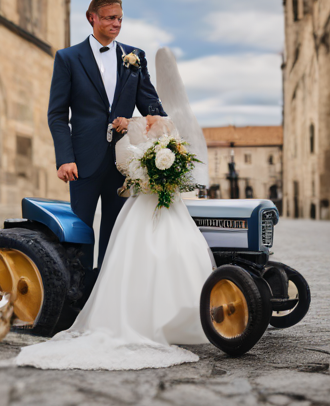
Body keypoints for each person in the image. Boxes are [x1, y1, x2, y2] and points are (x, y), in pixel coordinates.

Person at [15, 115, 214, 370]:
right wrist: (148, 172)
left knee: (181, 249)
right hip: (140, 197)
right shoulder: (130, 129)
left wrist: (166, 174)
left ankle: (188, 316)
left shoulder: (165, 124)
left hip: (166, 200)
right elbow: (125, 164)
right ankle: (128, 314)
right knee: (133, 253)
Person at [47, 0, 166, 273]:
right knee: (79, 234)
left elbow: (153, 109)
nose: (117, 24)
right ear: (93, 18)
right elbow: (57, 114)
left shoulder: (135, 58)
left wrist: (133, 121)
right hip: (82, 161)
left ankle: (107, 295)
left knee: (116, 234)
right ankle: (78, 295)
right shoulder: (68, 58)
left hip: (124, 163)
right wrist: (65, 158)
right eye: (111, 18)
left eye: (120, 19)